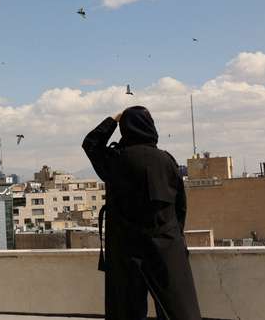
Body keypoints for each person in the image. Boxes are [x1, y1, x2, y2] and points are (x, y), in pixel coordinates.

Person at [82, 106, 201, 320]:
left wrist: (113, 120)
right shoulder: (167, 161)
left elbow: (91, 143)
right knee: (176, 308)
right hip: (166, 244)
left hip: (126, 247)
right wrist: (174, 237)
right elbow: (180, 206)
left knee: (127, 309)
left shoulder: (116, 159)